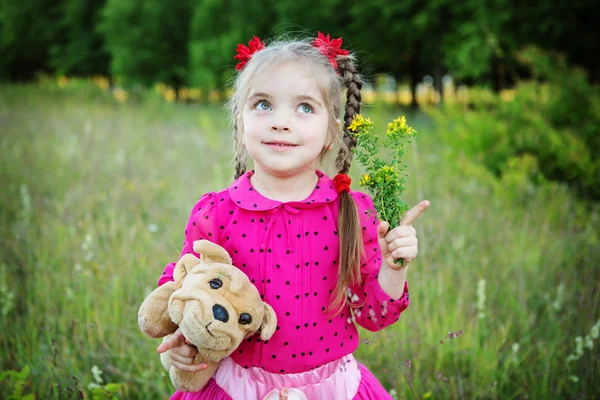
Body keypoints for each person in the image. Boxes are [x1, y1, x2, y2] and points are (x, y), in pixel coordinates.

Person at [155, 33, 430, 400]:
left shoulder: (351, 212)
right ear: (240, 120)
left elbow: (373, 316)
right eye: (263, 104)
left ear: (333, 131)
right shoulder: (217, 212)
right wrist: (181, 344)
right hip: (237, 388)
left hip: (333, 388)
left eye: (304, 108)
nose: (281, 122)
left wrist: (394, 269)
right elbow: (185, 289)